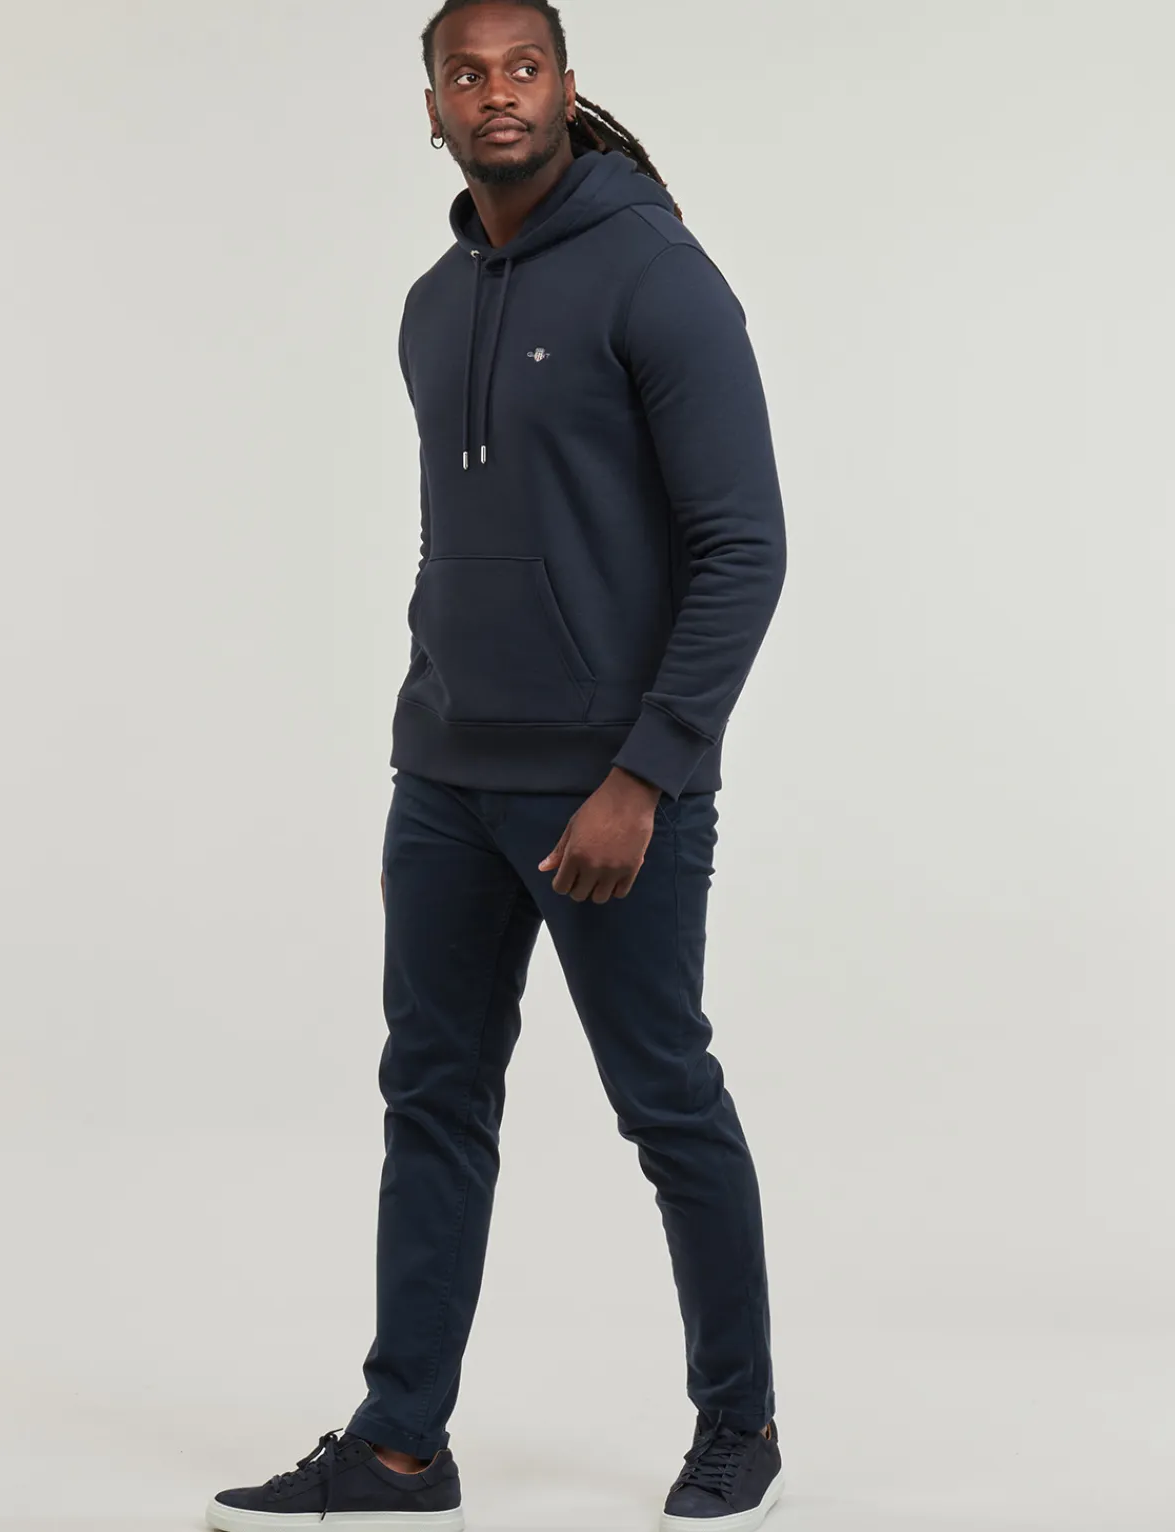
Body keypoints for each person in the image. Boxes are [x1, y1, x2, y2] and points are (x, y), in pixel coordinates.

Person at [206, 1, 787, 1528]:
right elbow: (461, 545)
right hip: (446, 785)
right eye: (466, 74)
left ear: (568, 88)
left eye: (523, 67)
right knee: (432, 1101)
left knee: (665, 1100)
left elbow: (745, 549)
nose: (497, 93)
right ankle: (402, 1446)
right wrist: (428, 746)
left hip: (611, 790)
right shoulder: (432, 302)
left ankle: (740, 1422)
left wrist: (645, 775)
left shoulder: (659, 278)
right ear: (433, 108)